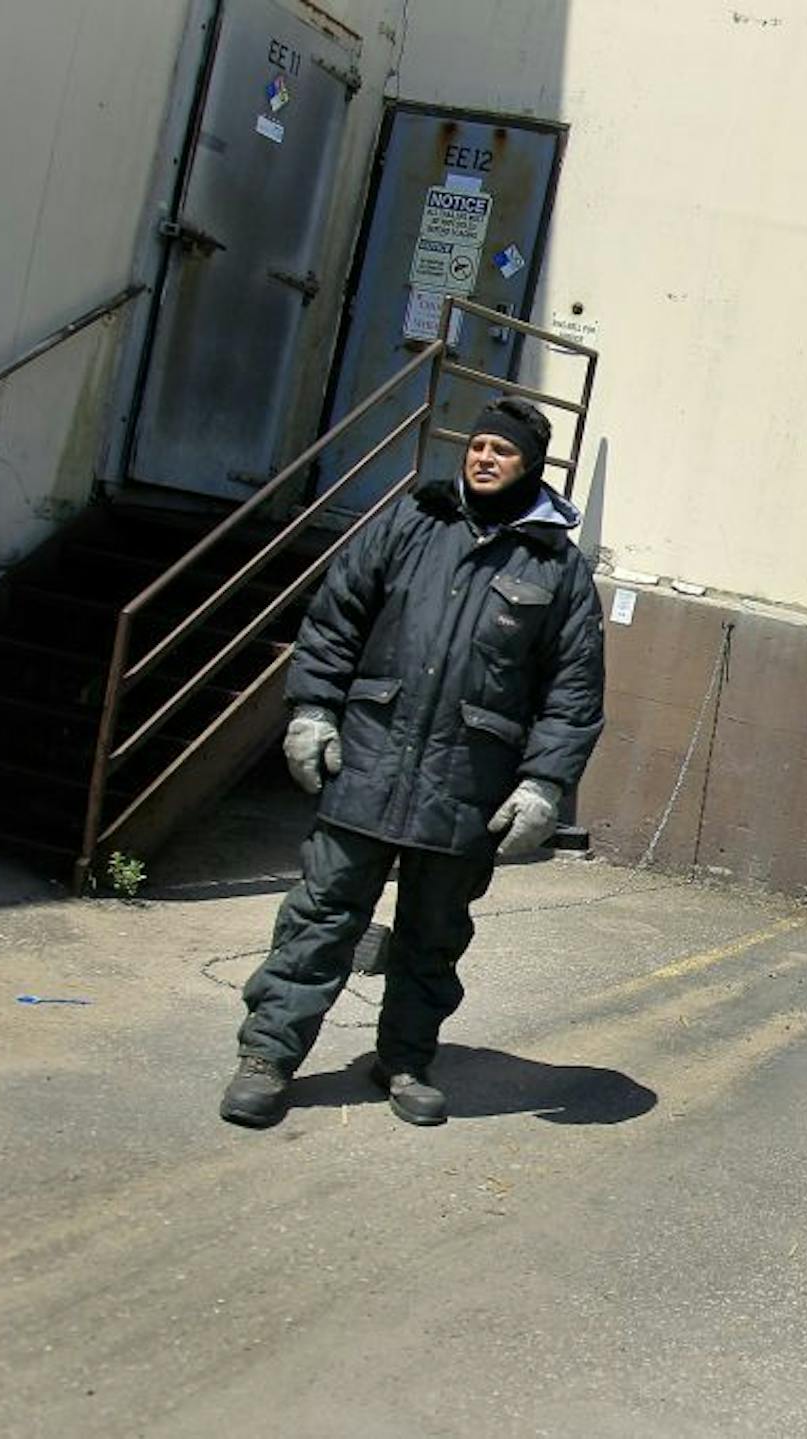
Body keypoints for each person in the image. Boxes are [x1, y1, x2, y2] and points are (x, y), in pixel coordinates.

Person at [219, 397, 605, 1129]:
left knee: (433, 936)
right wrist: (313, 709)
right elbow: (336, 619)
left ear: (530, 465)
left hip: (468, 783)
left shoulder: (557, 568)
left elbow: (573, 689)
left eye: (502, 450)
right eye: (478, 444)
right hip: (368, 759)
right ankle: (267, 1056)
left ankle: (404, 1060)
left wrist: (544, 783)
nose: (485, 457)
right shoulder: (411, 523)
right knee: (320, 916)